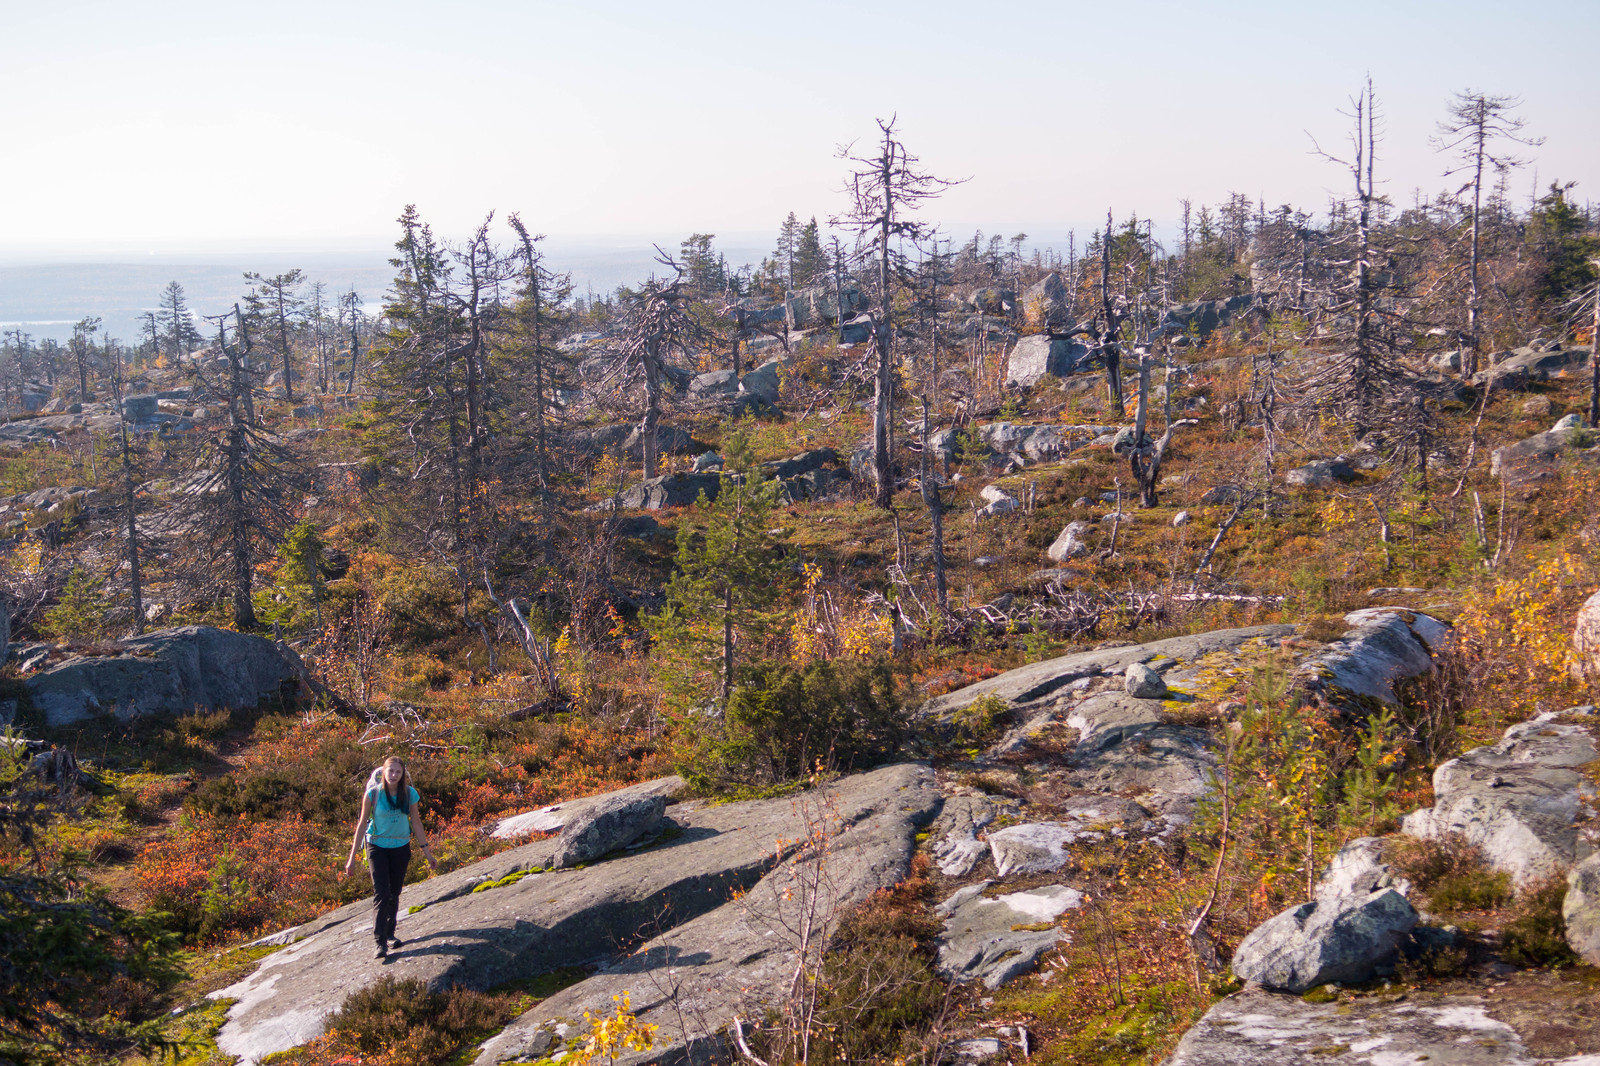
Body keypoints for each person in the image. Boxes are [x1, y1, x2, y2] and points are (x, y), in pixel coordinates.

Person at [344, 755, 437, 959]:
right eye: (390, 771)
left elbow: (417, 823)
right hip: (377, 846)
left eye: (398, 771)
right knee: (382, 893)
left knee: (394, 893)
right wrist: (351, 859)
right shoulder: (373, 794)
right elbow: (361, 826)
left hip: (401, 847)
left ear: (403, 774)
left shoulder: (410, 794)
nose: (394, 775)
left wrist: (427, 852)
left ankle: (390, 934)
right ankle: (380, 942)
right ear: (383, 772)